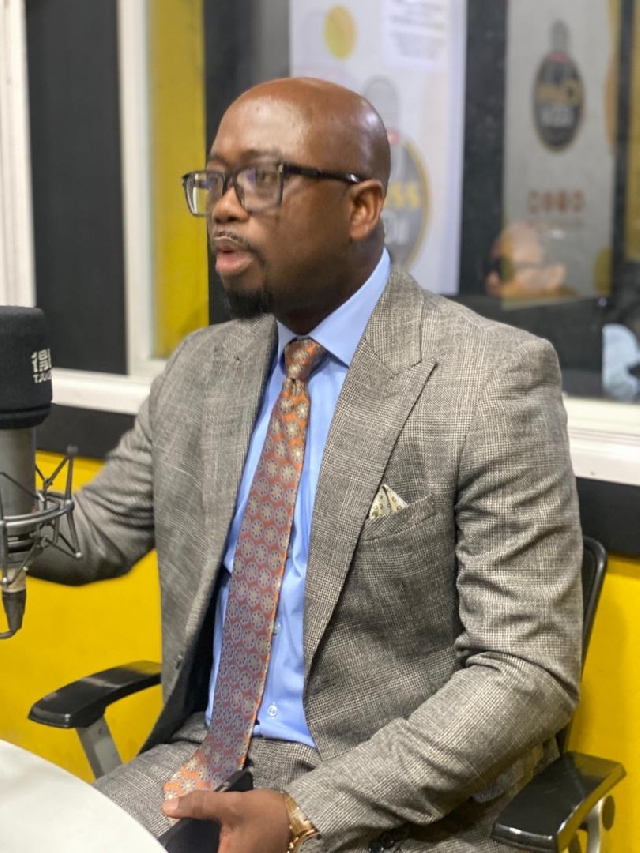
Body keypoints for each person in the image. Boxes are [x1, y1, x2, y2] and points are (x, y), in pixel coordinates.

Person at [32, 77, 582, 853]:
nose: (224, 207)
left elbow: (525, 669)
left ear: (362, 206)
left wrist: (304, 812)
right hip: (206, 757)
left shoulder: (487, 379)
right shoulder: (201, 369)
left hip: (408, 808)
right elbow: (91, 535)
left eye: (260, 178)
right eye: (215, 181)